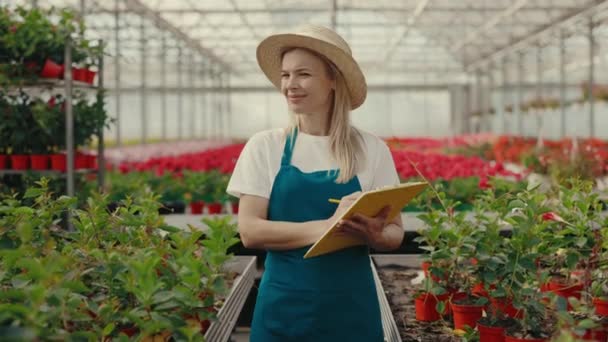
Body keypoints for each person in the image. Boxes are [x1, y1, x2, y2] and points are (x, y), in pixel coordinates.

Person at [226, 24, 404, 342]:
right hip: (283, 310)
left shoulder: (372, 149)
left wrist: (377, 233)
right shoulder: (265, 146)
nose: (290, 85)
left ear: (333, 79)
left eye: (303, 74)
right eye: (285, 75)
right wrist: (330, 226)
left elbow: (395, 232)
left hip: (352, 310)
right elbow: (250, 231)